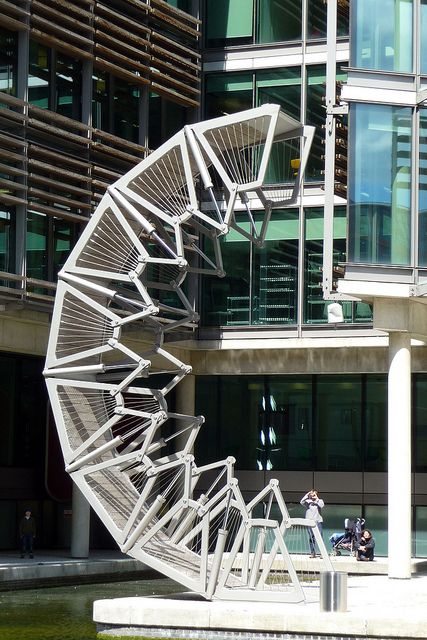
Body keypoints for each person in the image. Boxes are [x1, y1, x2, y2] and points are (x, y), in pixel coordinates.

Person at [300, 489, 324, 558]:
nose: (312, 495)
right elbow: (301, 502)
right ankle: (312, 553)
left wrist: (316, 498)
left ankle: (323, 553)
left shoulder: (319, 501)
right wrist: (307, 494)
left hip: (318, 521)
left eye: (314, 494)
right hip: (309, 522)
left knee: (320, 538)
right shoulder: (308, 502)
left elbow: (322, 505)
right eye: (312, 494)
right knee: (311, 538)